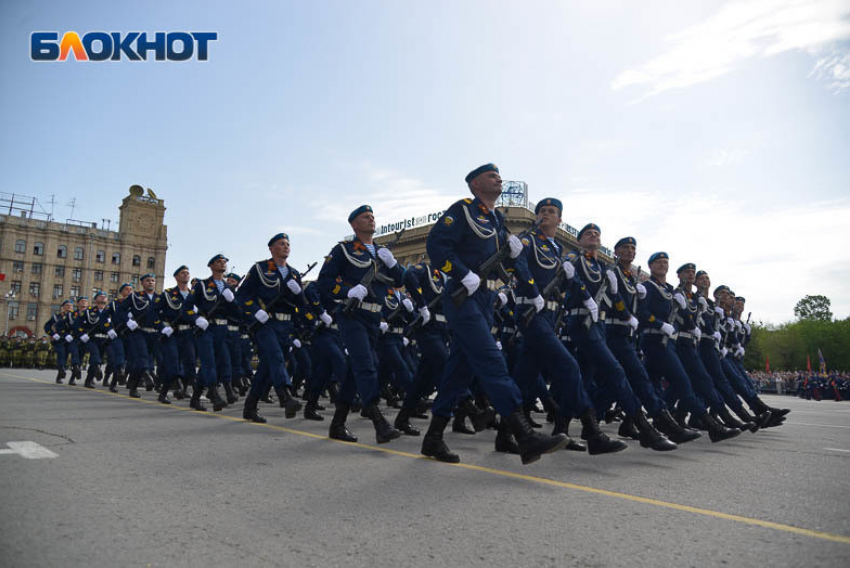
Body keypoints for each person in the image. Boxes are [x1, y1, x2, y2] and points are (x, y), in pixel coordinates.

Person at [420, 164, 568, 464]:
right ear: (475, 184)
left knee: (459, 370)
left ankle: (433, 438)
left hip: (485, 298)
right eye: (491, 176)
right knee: (492, 361)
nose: (498, 178)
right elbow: (436, 246)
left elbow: (506, 264)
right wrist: (461, 274)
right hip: (463, 296)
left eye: (499, 176)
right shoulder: (462, 211)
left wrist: (514, 255)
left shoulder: (498, 221)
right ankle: (523, 434)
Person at [317, 206, 406, 444]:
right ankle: (379, 422)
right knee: (367, 365)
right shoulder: (343, 250)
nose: (371, 219)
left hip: (374, 318)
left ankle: (337, 424)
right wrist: (347, 291)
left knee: (357, 368)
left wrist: (395, 264)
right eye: (366, 217)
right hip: (352, 315)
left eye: (373, 216)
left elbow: (400, 280)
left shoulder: (381, 252)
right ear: (354, 225)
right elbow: (323, 283)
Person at [639, 253, 740, 442]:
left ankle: (651, 425)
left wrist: (694, 321)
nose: (662, 265)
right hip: (655, 340)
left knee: (646, 385)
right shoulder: (648, 287)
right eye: (658, 263)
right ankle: (713, 426)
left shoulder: (669, 290)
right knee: (682, 382)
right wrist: (660, 324)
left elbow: (685, 315)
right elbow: (642, 312)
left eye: (665, 262)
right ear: (650, 266)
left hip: (667, 342)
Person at [236, 234, 315, 423]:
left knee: (265, 367)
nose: (286, 247)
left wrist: (299, 294)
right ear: (271, 248)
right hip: (265, 323)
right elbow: (242, 295)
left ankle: (250, 407)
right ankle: (285, 396)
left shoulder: (294, 273)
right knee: (276, 357)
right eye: (281, 244)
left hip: (285, 326)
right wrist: (255, 311)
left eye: (288, 244)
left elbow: (302, 306)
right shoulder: (261, 268)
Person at [183, 255, 233, 412]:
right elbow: (186, 308)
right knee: (209, 362)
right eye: (219, 261)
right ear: (211, 266)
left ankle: (195, 399)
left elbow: (236, 313)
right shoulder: (202, 286)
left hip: (222, 330)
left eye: (224, 262)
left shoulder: (228, 288)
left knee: (220, 362)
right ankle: (215, 395)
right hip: (206, 329)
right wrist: (196, 319)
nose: (222, 264)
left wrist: (233, 301)